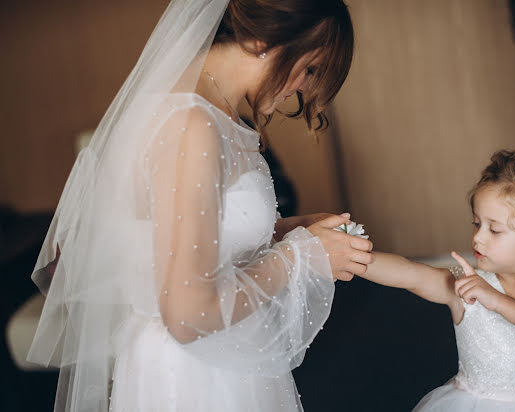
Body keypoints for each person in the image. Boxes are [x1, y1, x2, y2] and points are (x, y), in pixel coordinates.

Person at [26, 1, 374, 411]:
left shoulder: (212, 111)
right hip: (194, 377)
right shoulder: (191, 125)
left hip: (225, 356)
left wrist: (294, 230)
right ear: (264, 38)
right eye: (310, 68)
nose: (302, 88)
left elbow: (198, 240)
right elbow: (188, 314)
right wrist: (300, 255)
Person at [360, 149, 515, 411]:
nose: (478, 238)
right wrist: (354, 256)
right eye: (476, 223)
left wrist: (496, 300)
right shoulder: (464, 285)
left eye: (494, 229)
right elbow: (408, 273)